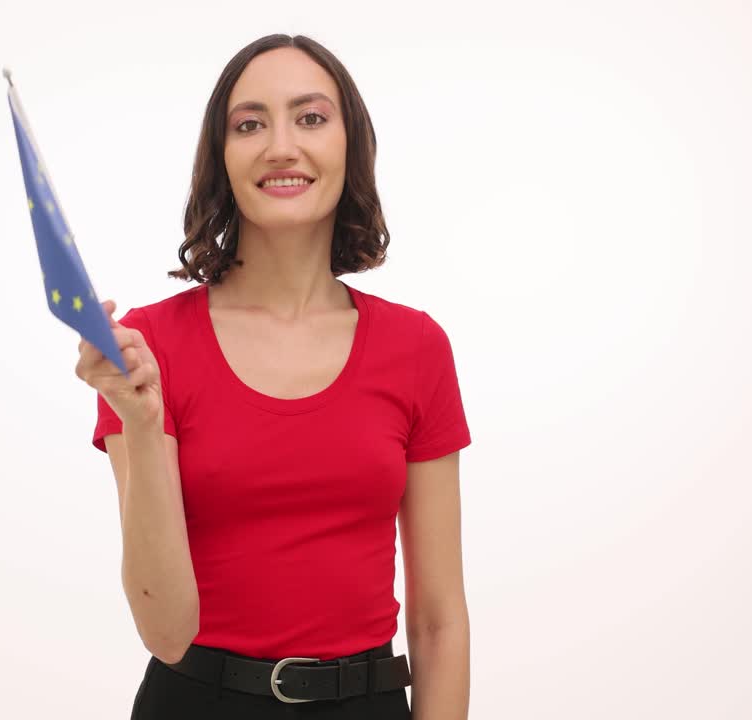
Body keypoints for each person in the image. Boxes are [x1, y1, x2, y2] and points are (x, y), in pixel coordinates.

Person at [74, 33, 472, 720]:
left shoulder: (416, 346)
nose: (280, 145)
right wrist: (140, 421)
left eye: (310, 118)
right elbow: (166, 630)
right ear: (221, 158)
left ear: (351, 148)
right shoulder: (149, 346)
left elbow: (439, 623)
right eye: (249, 123)